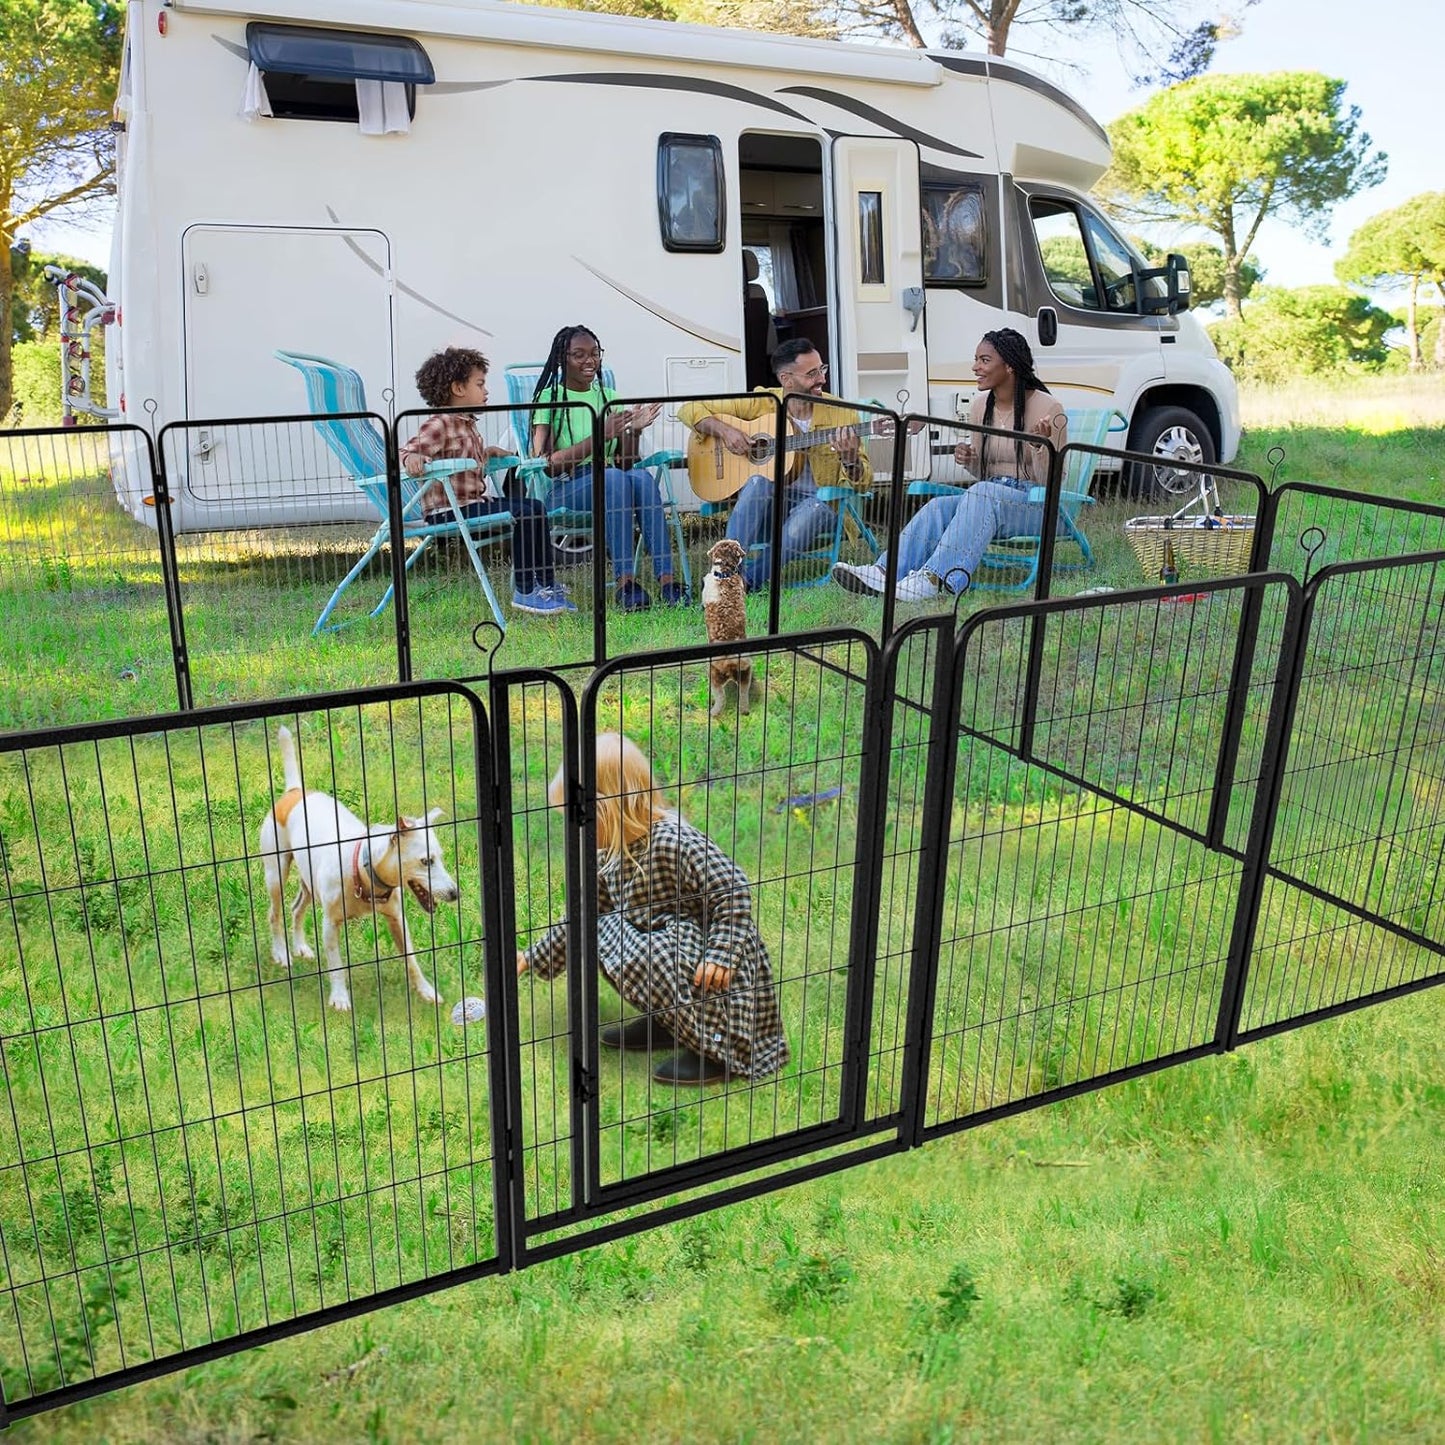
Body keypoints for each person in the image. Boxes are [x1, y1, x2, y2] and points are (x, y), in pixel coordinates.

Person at [517, 733, 789, 1086]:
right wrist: (530, 957)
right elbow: (585, 915)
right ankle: (670, 1022)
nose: (572, 826)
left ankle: (718, 1052)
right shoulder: (608, 853)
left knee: (649, 952)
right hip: (671, 949)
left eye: (577, 816)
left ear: (607, 807)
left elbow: (732, 889)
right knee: (606, 931)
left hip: (714, 963)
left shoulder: (674, 841)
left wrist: (722, 954)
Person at [832, 328, 1067, 602]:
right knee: (937, 507)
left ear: (1010, 366)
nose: (975, 367)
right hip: (990, 498)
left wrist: (1040, 446)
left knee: (983, 493)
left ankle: (932, 579)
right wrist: (971, 461)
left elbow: (1052, 483)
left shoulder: (1048, 408)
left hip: (1038, 507)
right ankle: (883, 571)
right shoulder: (981, 407)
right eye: (976, 359)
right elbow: (986, 475)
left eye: (984, 360)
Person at [678, 339, 873, 593]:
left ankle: (740, 583)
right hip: (772, 506)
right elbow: (688, 408)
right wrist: (726, 431)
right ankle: (725, 568)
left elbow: (864, 481)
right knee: (758, 481)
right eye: (812, 373)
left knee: (811, 512)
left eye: (822, 369)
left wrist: (850, 459)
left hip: (821, 506)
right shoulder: (764, 402)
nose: (822, 379)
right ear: (787, 379)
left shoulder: (842, 413)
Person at [400, 346, 576, 617]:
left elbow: (461, 457)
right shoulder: (441, 423)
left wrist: (488, 453)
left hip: (473, 503)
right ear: (458, 389)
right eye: (479, 384)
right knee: (524, 513)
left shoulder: (467, 424)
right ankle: (526, 591)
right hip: (449, 511)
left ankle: (546, 584)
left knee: (535, 507)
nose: (486, 391)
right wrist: (411, 457)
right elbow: (406, 450)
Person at [529, 326, 685, 611]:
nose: (590, 361)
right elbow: (546, 464)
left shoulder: (608, 394)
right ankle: (626, 584)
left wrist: (633, 432)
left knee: (639, 476)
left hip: (612, 482)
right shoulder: (549, 398)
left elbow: (626, 462)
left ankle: (668, 582)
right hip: (567, 488)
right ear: (562, 358)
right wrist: (599, 436)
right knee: (614, 477)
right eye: (579, 355)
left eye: (595, 354)